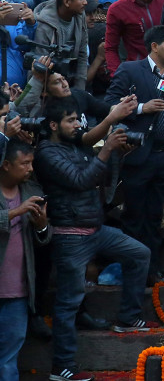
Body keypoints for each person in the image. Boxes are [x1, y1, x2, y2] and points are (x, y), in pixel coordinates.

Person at [35, 100, 154, 381]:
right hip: (69, 236)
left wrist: (119, 154)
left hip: (96, 230)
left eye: (79, 120)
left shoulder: (78, 145)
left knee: (139, 254)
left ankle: (128, 318)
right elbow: (80, 180)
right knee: (68, 304)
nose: (78, 125)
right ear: (53, 125)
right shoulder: (46, 153)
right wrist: (108, 148)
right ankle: (61, 367)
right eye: (71, 121)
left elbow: (100, 179)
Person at [104, 25, 164, 283]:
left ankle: (151, 271)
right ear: (154, 47)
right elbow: (108, 104)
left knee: (154, 216)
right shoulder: (131, 70)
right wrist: (140, 108)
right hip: (137, 155)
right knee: (134, 215)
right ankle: (132, 272)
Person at [0, 140, 50, 381]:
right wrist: (16, 211)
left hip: (17, 292)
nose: (30, 168)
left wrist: (42, 225)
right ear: (6, 165)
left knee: (8, 359)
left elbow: (43, 239)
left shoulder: (31, 191)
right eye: (25, 163)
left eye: (31, 163)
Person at [32, 0, 89, 90]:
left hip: (71, 81)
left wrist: (80, 91)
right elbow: (40, 65)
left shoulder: (79, 14)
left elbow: (82, 55)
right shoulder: (44, 26)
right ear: (67, 2)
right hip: (49, 86)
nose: (85, 2)